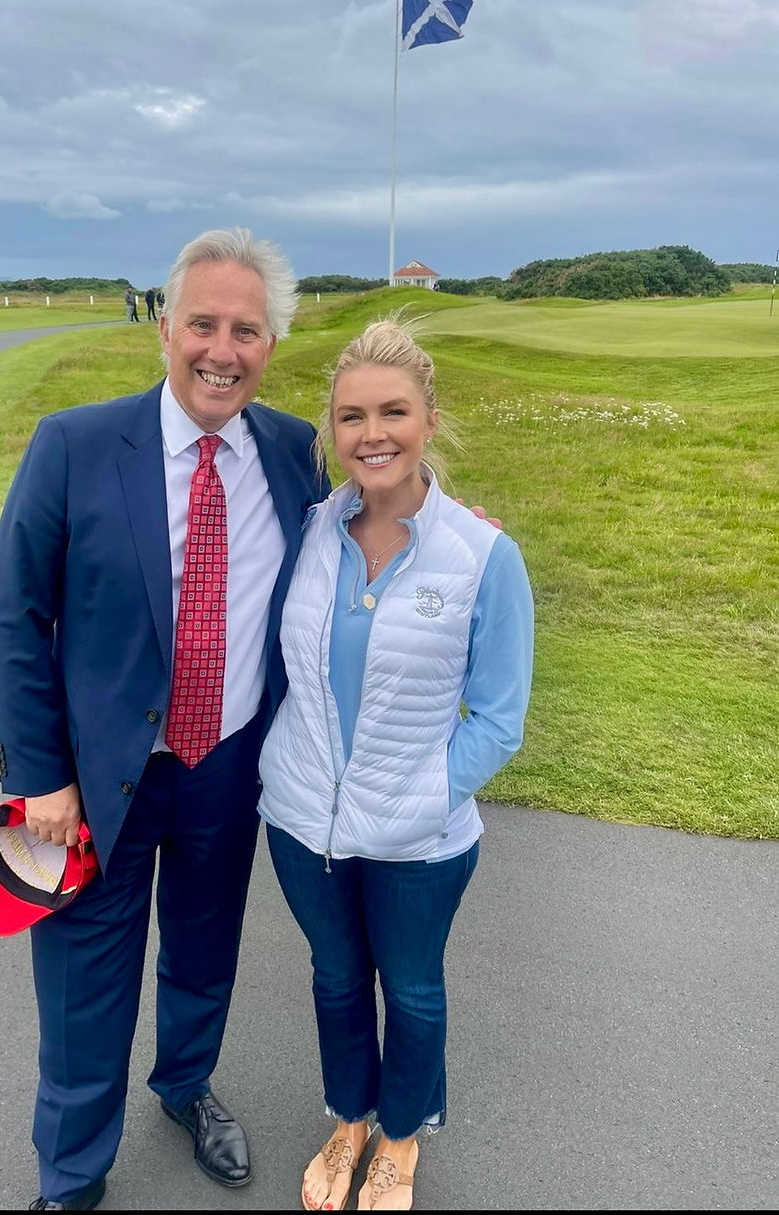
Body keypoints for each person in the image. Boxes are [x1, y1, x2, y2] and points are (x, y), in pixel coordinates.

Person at [0, 228, 330, 1210]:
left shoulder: (292, 451)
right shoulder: (76, 445)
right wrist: (38, 777)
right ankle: (72, 1172)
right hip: (93, 780)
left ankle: (184, 1087)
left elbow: (362, 532)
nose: (223, 349)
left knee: (204, 947)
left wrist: (450, 530)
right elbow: (14, 613)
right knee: (85, 980)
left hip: (228, 763)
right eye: (204, 324)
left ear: (271, 344)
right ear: (165, 327)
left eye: (247, 331)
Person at [258, 319, 534, 1211]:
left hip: (420, 833)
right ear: (331, 430)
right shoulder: (305, 531)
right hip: (304, 819)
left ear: (428, 418)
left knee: (412, 990)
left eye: (392, 412)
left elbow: (498, 720)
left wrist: (425, 796)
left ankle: (402, 1138)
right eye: (350, 416)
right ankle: (349, 1118)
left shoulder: (485, 556)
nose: (371, 433)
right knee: (336, 976)